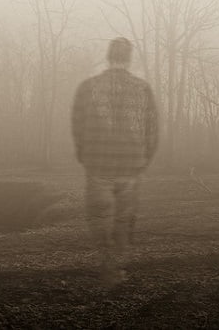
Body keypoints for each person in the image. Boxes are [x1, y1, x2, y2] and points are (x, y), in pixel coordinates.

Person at [70, 37, 159, 286]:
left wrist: (83, 154)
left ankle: (107, 262)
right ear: (128, 59)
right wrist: (145, 158)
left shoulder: (87, 88)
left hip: (98, 163)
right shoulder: (142, 88)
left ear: (109, 57)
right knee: (124, 216)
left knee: (99, 215)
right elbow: (152, 131)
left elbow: (77, 126)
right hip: (131, 164)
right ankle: (118, 265)